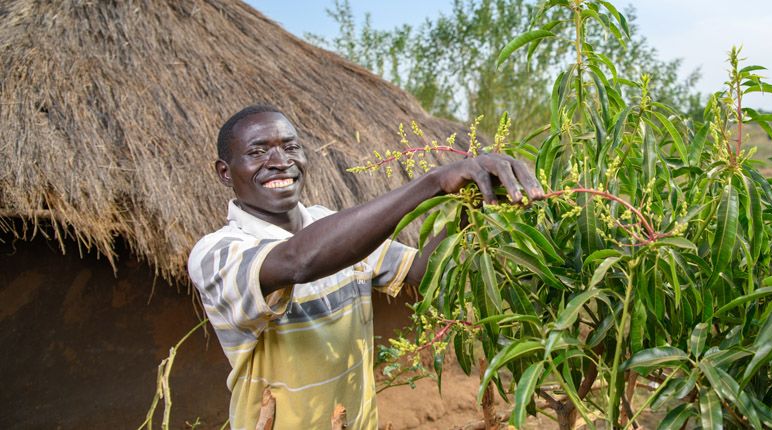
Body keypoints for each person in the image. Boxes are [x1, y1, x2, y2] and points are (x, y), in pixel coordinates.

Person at [187, 105, 543, 429]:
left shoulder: (336, 228)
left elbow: (422, 272)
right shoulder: (215, 253)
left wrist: (468, 207)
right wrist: (434, 182)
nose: (280, 161)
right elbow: (298, 261)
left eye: (291, 147)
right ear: (224, 172)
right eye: (258, 151)